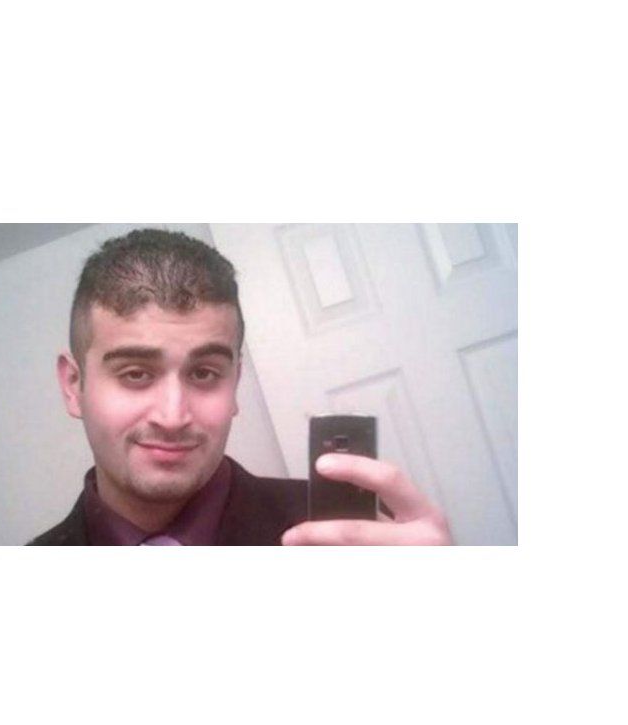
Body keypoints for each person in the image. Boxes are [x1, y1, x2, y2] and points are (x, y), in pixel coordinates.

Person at [28, 229, 451, 546]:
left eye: (204, 373)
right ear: (73, 385)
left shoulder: (356, 538)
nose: (173, 417)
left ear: (235, 384)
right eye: (135, 374)